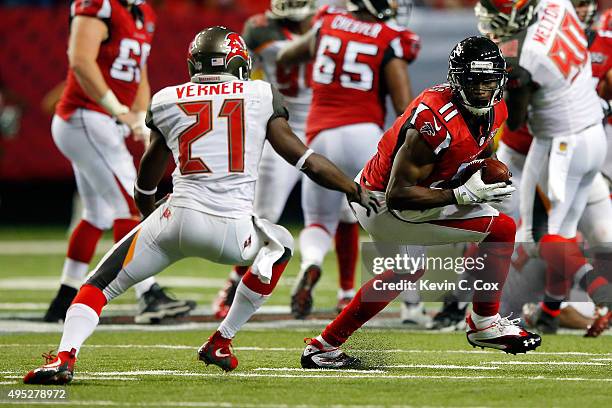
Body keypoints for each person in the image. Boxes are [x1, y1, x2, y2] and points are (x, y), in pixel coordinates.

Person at [23, 26, 378, 385]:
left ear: (194, 64)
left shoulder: (167, 99)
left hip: (177, 218)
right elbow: (307, 161)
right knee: (281, 243)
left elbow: (146, 180)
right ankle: (222, 340)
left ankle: (65, 358)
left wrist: (151, 217)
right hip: (235, 234)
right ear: (238, 64)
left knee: (98, 284)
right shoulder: (259, 94)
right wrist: (352, 188)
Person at [300, 36, 542, 369]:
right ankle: (484, 323)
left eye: (490, 80)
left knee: (406, 272)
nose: (484, 89)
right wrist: (462, 194)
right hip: (384, 204)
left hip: (394, 193)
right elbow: (398, 195)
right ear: (458, 80)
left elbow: (480, 147)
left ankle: (323, 347)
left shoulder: (493, 109)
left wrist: (486, 170)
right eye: (475, 80)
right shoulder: (434, 123)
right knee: (501, 228)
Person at [44, 0, 195, 324]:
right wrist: (117, 108)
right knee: (131, 204)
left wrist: (140, 117)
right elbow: (81, 61)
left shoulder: (143, 13)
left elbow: (137, 72)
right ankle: (148, 294)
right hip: (85, 115)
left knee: (97, 213)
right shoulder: (100, 6)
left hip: (97, 121)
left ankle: (64, 298)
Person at [212, 0, 364, 318]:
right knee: (278, 212)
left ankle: (344, 291)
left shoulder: (261, 27)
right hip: (304, 125)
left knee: (277, 212)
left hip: (296, 125)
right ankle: (345, 292)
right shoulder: (328, 25)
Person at [475, 0, 612, 336]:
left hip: (559, 145)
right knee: (563, 231)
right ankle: (550, 310)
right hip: (593, 132)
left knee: (540, 239)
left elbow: (518, 120)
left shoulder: (524, 57)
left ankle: (601, 293)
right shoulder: (559, 5)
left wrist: (507, 78)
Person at [277, 0, 420, 319]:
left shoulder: (327, 22)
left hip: (320, 137)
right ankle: (412, 304)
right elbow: (403, 105)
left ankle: (311, 264)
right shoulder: (389, 36)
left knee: (318, 221)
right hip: (364, 135)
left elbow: (287, 56)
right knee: (385, 222)